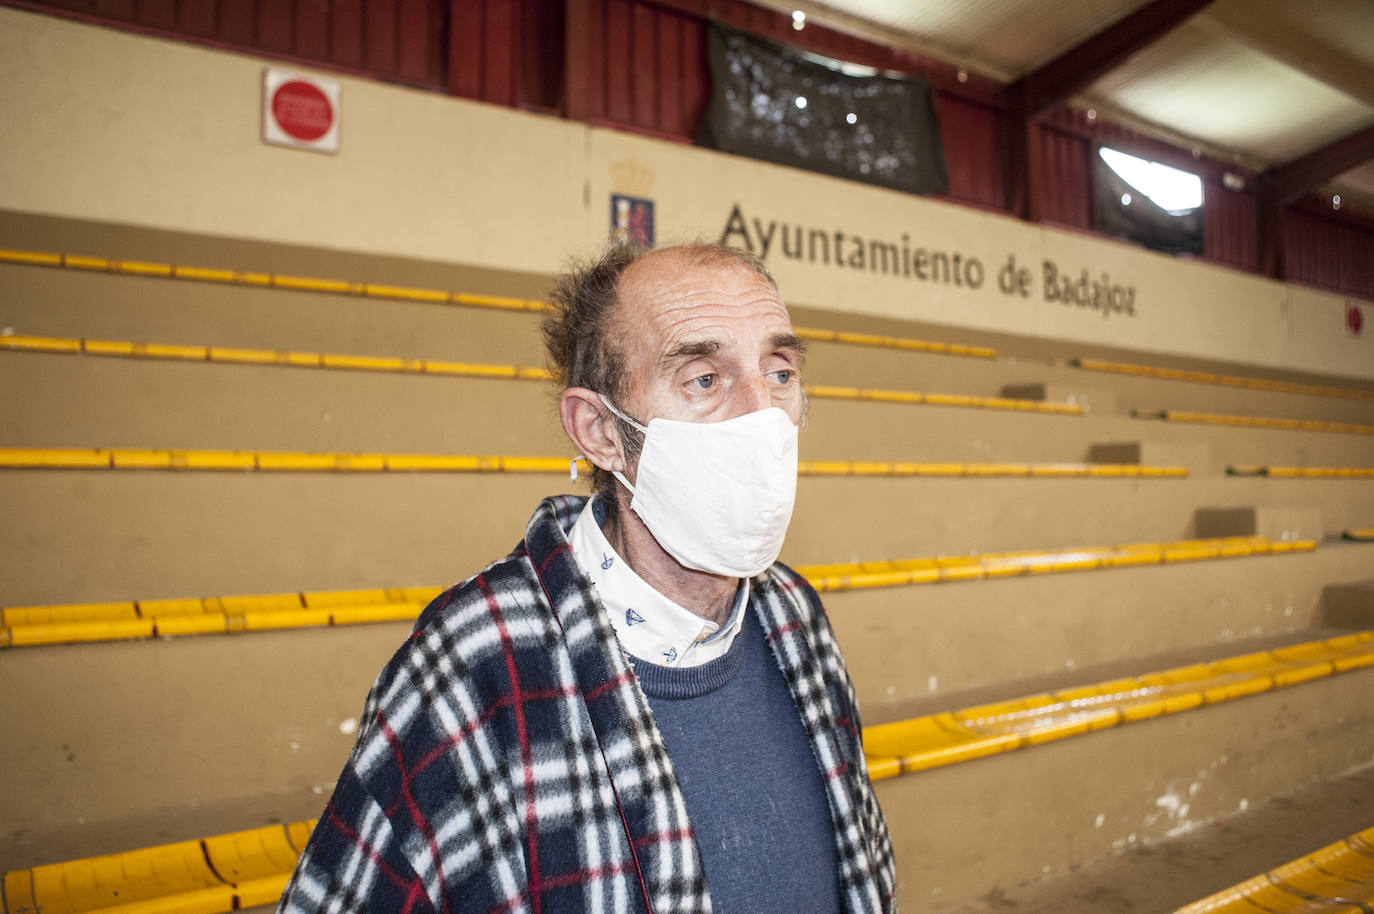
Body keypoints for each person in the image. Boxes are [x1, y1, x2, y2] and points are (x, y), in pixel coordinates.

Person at [276, 242, 895, 914]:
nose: (763, 413)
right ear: (600, 431)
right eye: (705, 380)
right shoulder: (476, 665)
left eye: (779, 373)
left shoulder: (796, 618)